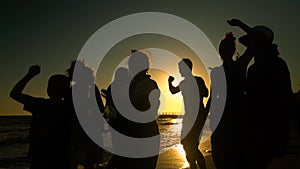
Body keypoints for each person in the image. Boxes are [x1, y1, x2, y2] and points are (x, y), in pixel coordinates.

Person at [240, 20, 293, 168]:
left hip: (270, 128)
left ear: (258, 43)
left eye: (251, 42)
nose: (248, 46)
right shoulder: (252, 68)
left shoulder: (277, 64)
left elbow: (287, 96)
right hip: (253, 129)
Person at [10, 65, 70, 169]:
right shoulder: (68, 107)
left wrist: (30, 75)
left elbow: (15, 94)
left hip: (49, 157)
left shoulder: (41, 105)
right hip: (54, 157)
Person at [209, 30, 253, 169]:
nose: (224, 51)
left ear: (233, 50)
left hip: (240, 119)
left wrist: (240, 25)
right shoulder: (215, 72)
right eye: (222, 48)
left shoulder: (240, 65)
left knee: (238, 160)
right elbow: (212, 99)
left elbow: (255, 43)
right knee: (221, 160)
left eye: (228, 48)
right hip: (220, 122)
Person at [115, 50, 161, 169]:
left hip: (145, 134)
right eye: (132, 64)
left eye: (136, 64)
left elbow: (148, 109)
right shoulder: (128, 86)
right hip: (130, 134)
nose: (133, 67)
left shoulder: (149, 84)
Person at [168, 58, 208, 169]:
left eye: (180, 68)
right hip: (190, 116)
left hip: (197, 116)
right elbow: (173, 90)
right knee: (186, 145)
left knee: (192, 146)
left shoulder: (197, 80)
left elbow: (205, 93)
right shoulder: (185, 82)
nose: (179, 71)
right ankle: (193, 166)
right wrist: (169, 82)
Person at [66, 60, 105, 169]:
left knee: (74, 162)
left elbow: (68, 111)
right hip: (92, 129)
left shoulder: (72, 90)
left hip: (77, 130)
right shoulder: (92, 87)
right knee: (90, 163)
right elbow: (101, 109)